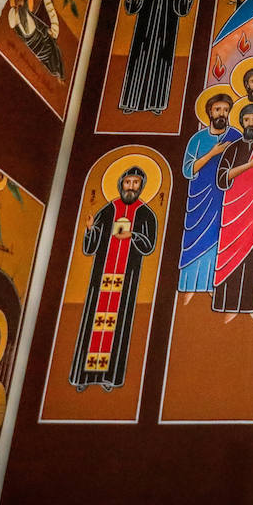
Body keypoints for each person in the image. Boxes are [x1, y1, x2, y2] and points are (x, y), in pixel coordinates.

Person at [69, 165, 158, 391]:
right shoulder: (108, 211)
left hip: (126, 280)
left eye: (135, 183)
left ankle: (109, 377)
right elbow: (90, 246)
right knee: (92, 323)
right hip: (101, 279)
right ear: (121, 184)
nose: (131, 187)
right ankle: (84, 378)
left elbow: (149, 245)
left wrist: (133, 235)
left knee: (119, 326)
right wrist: (91, 230)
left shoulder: (146, 214)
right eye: (128, 182)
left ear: (141, 186)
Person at [117, 0, 204, 114]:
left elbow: (182, 6)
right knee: (137, 63)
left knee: (163, 65)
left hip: (167, 30)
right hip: (144, 28)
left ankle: (157, 104)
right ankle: (131, 103)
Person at [212, 104, 253, 321]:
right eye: (248, 120)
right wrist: (250, 166)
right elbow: (222, 179)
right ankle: (228, 305)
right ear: (242, 122)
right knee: (232, 258)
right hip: (235, 214)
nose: (252, 124)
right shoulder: (232, 149)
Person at [179, 92, 240, 302]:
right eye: (217, 109)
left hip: (225, 195)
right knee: (196, 238)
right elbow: (188, 170)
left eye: (225, 110)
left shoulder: (235, 136)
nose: (221, 113)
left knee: (221, 237)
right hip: (200, 195)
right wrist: (211, 154)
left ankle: (217, 284)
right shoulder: (197, 139)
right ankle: (190, 285)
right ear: (209, 113)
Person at [7, 0, 64, 78]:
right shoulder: (13, 11)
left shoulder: (28, 12)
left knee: (55, 49)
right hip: (31, 44)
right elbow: (11, 24)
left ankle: (58, 76)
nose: (19, 0)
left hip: (39, 39)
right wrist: (17, 9)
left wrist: (47, 31)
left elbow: (38, 25)